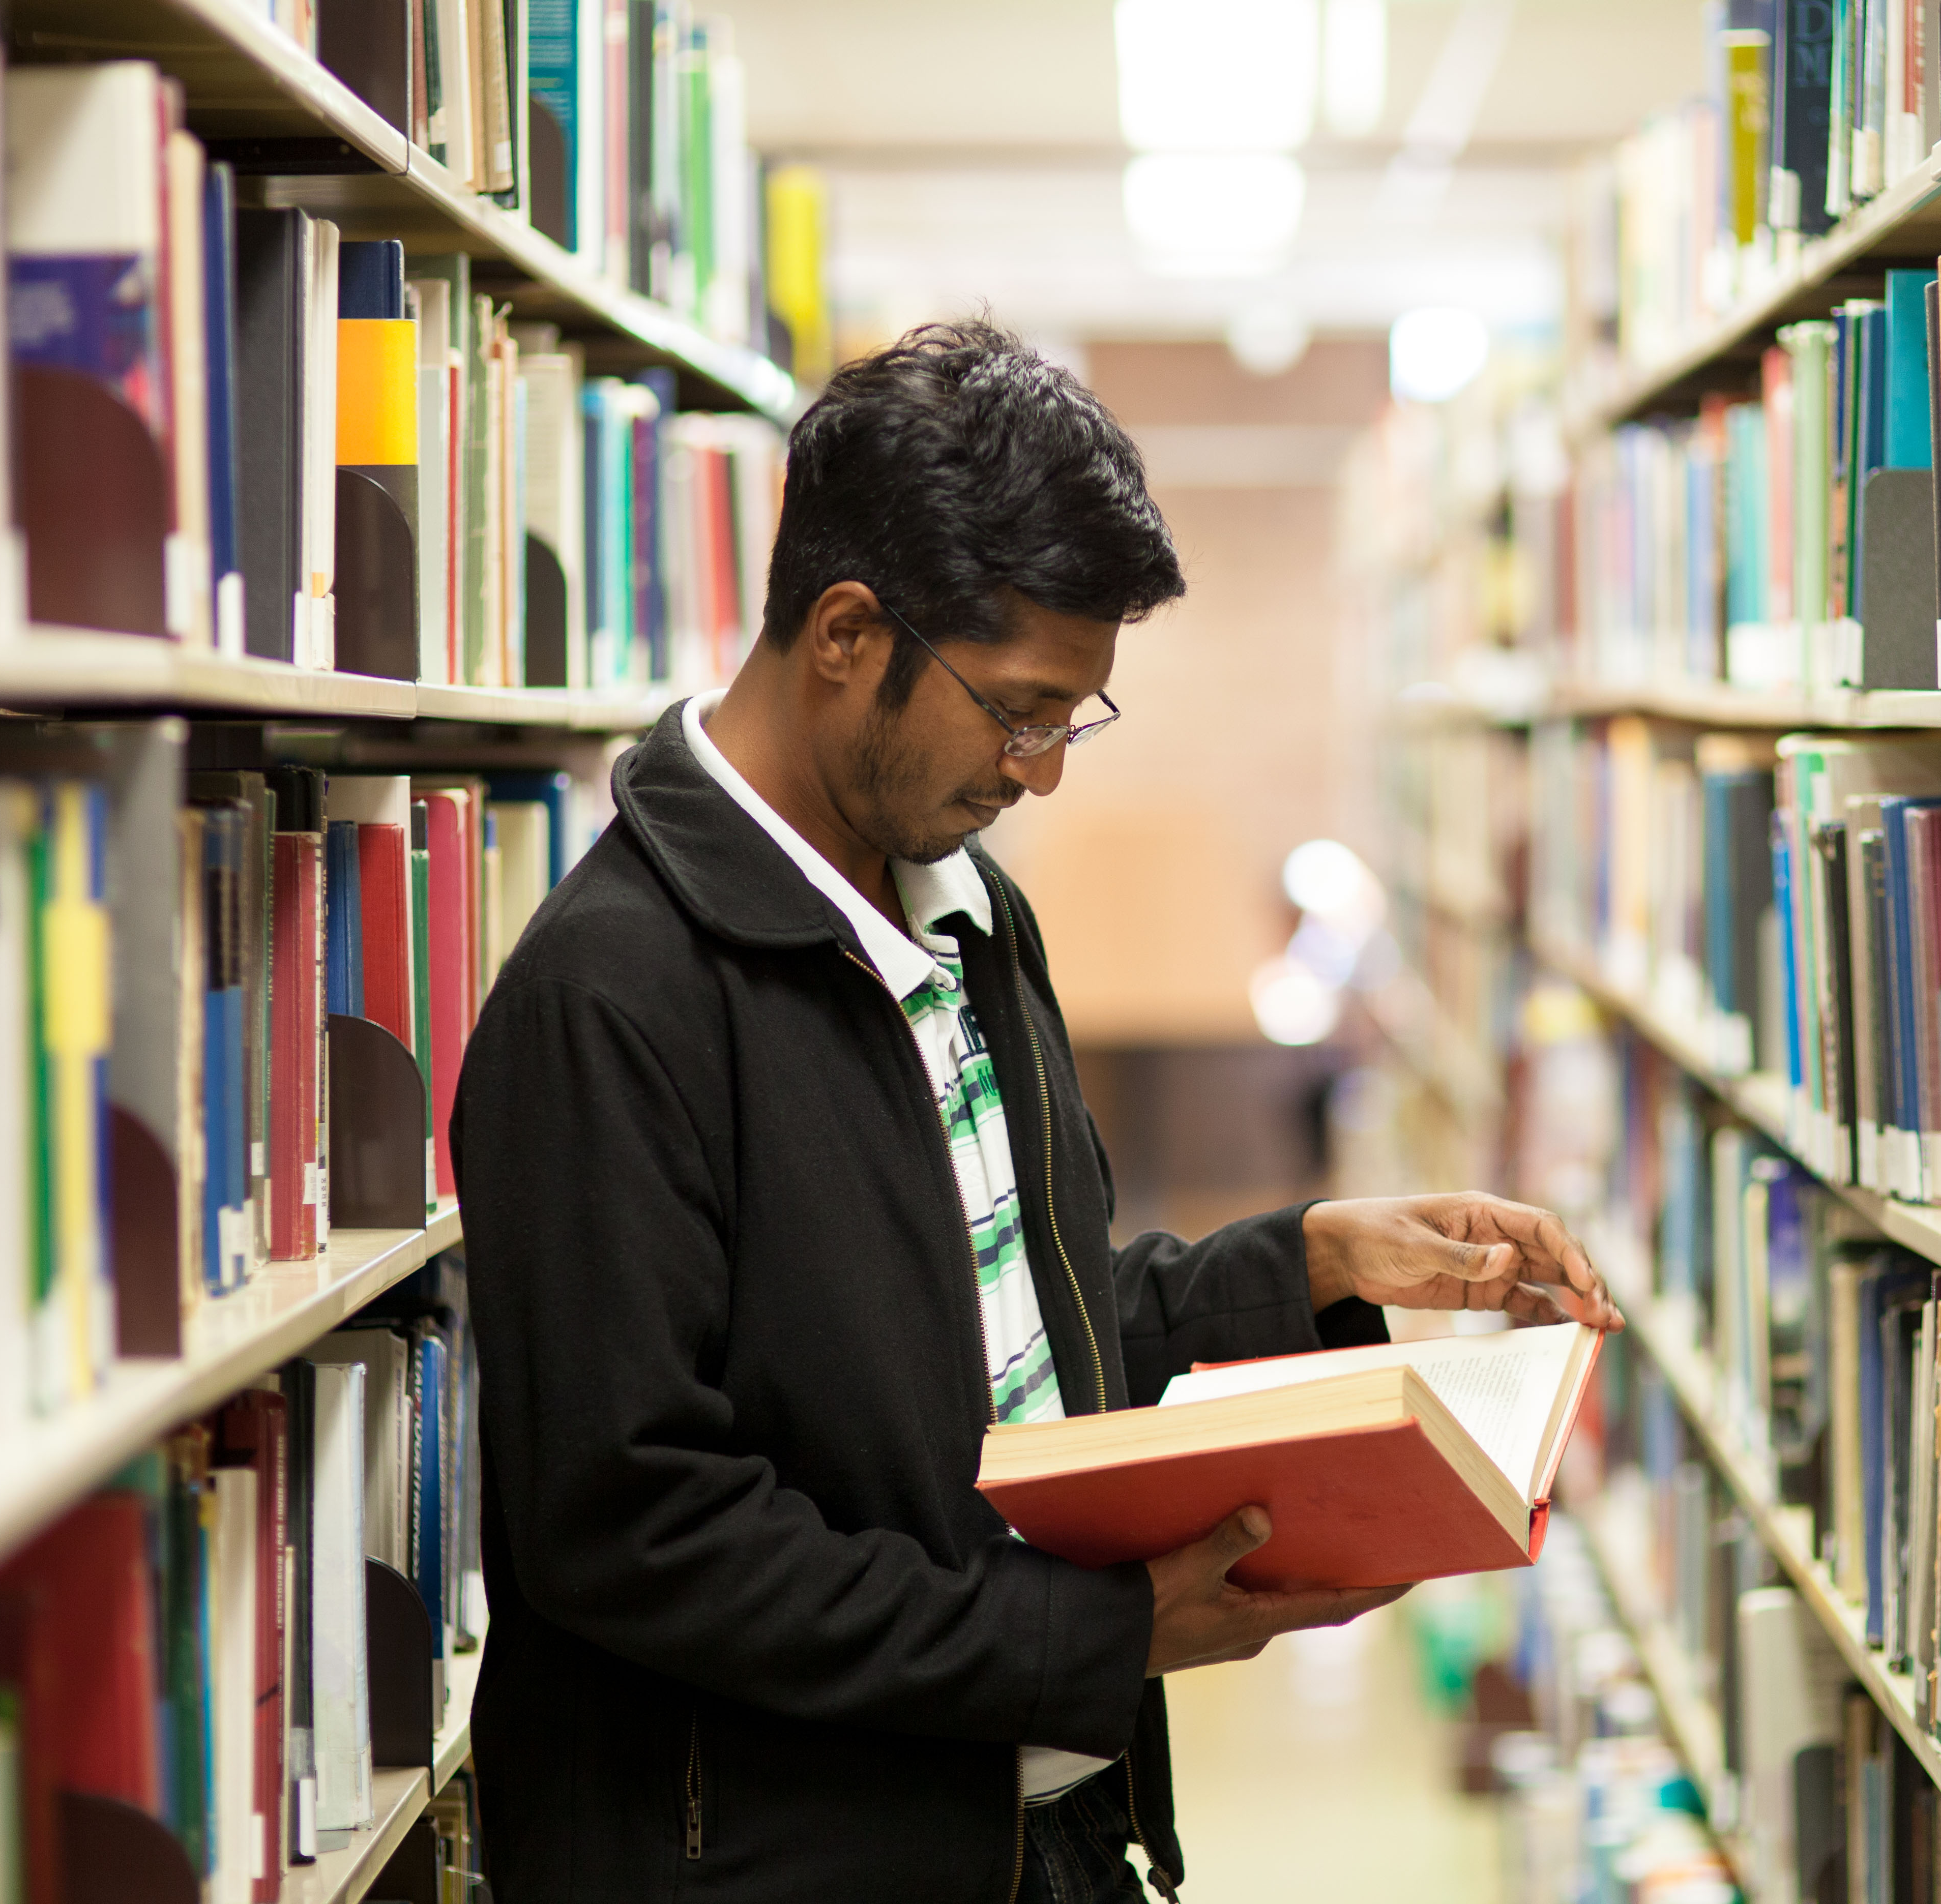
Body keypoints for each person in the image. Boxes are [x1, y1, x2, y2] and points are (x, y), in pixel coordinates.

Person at [452, 320, 1622, 1904]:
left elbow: (1001, 1341)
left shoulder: (965, 915)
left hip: (1038, 1823)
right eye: (1019, 710)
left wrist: (1311, 1265)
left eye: (1074, 714)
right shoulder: (610, 1002)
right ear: (848, 634)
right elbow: (636, 1532)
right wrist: (1083, 1638)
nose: (1047, 771)